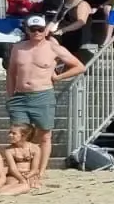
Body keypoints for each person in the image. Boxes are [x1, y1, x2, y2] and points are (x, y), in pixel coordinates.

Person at [5, 16, 85, 188]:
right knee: (18, 135)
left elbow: (79, 66)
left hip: (43, 95)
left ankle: (40, 172)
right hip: (20, 96)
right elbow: (11, 73)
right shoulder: (18, 48)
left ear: (45, 30)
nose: (37, 32)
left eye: (40, 29)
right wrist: (10, 96)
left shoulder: (53, 47)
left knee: (45, 135)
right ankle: (21, 172)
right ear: (27, 30)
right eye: (33, 29)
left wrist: (58, 77)